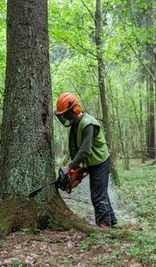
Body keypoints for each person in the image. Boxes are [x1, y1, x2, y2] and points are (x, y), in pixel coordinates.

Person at [54, 92, 118, 228]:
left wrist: (69, 167)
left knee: (97, 195)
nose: (64, 116)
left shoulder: (88, 124)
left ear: (74, 109)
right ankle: (112, 221)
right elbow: (76, 148)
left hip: (100, 161)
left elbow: (85, 150)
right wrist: (78, 169)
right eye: (62, 114)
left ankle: (105, 226)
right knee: (100, 193)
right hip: (91, 161)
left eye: (65, 113)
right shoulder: (75, 125)